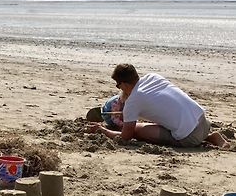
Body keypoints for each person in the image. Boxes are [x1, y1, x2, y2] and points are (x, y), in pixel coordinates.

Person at [86, 63, 229, 148]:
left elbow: (125, 137)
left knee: (136, 130)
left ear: (123, 83)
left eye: (118, 85)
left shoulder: (133, 101)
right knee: (167, 122)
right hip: (202, 121)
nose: (119, 88)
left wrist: (102, 130)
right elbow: (162, 105)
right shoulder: (153, 77)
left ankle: (206, 139)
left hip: (189, 137)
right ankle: (210, 137)